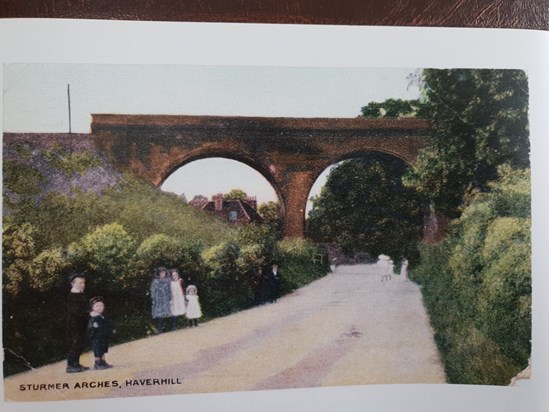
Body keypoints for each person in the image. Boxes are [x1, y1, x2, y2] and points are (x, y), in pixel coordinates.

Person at [66, 273, 90, 373]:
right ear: (73, 284)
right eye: (79, 283)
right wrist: (88, 312)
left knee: (80, 343)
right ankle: (71, 365)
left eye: (83, 282)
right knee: (76, 343)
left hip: (81, 322)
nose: (82, 284)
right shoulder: (73, 296)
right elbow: (76, 311)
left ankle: (76, 363)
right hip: (75, 324)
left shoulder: (80, 294)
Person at [88, 296, 114, 370]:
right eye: (97, 306)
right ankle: (98, 363)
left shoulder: (101, 316)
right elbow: (91, 327)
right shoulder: (94, 317)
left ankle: (103, 361)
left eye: (101, 305)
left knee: (102, 349)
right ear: (92, 308)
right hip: (97, 337)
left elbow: (106, 324)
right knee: (98, 350)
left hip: (103, 336)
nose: (99, 307)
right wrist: (94, 329)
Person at [150, 267, 172, 333]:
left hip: (166, 300)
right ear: (158, 273)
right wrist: (154, 299)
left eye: (164, 272)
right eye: (161, 272)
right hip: (158, 300)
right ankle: (159, 329)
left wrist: (170, 298)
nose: (162, 273)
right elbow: (152, 291)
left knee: (168, 314)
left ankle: (169, 328)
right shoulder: (155, 281)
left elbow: (170, 290)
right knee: (159, 315)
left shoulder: (168, 281)